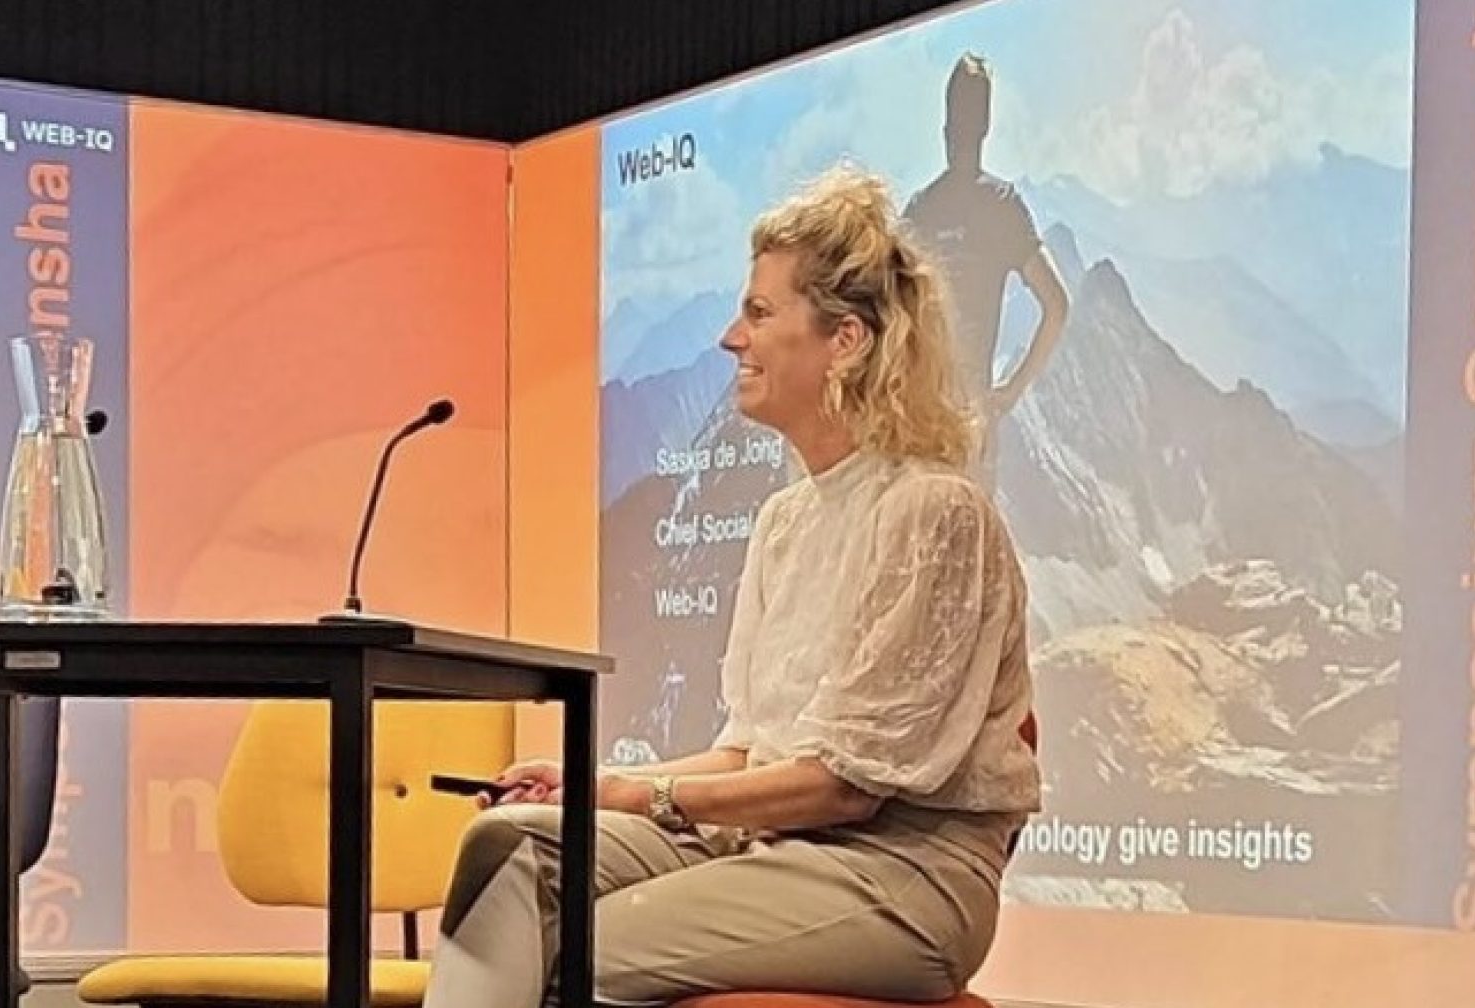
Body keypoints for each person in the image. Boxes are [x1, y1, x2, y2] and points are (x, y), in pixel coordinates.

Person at [422, 165, 1041, 1008]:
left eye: (758, 312)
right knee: (511, 849)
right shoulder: (785, 520)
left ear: (846, 340)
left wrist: (632, 794)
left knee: (572, 945)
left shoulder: (935, 513)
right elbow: (751, 751)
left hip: (901, 873)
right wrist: (586, 784)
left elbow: (846, 787)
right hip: (770, 844)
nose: (730, 338)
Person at [903, 51, 1069, 492]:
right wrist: (1010, 392)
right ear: (987, 127)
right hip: (972, 421)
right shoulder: (1002, 206)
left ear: (945, 126)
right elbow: (1057, 305)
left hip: (920, 420)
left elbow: (888, 316)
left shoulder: (920, 210)